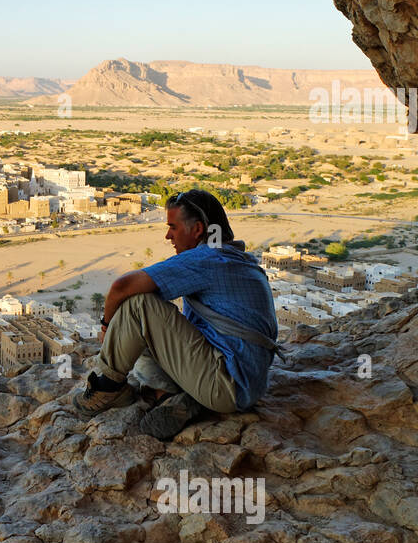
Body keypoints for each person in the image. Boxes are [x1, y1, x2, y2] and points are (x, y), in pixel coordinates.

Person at [75, 189, 279, 440]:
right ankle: (173, 397)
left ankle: (107, 388)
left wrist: (106, 327)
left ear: (197, 230)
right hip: (245, 382)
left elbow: (122, 287)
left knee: (139, 305)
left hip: (227, 385)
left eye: (173, 227)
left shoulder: (207, 259)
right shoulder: (234, 257)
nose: (168, 235)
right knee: (143, 326)